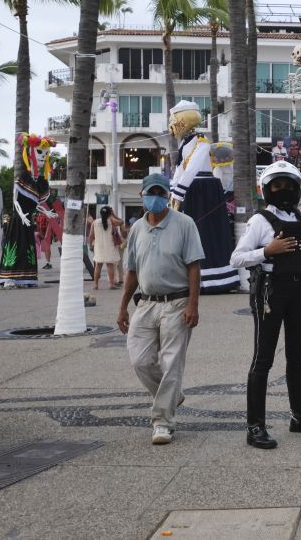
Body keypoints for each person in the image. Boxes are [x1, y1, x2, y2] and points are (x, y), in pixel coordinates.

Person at [230, 161, 301, 449]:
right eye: (277, 185)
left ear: (297, 189)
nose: (283, 190)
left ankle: (300, 417)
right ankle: (255, 427)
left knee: (297, 358)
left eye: (288, 185)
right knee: (263, 359)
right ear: (266, 189)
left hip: (299, 291)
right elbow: (236, 258)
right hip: (270, 293)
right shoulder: (259, 221)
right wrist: (266, 251)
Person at [117, 174, 204, 445]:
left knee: (171, 364)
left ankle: (163, 423)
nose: (155, 197)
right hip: (145, 304)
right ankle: (172, 395)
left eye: (160, 193)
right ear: (142, 195)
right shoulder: (136, 228)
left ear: (168, 196)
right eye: (151, 192)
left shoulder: (185, 223)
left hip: (177, 303)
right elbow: (132, 271)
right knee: (140, 360)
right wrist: (122, 307)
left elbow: (194, 267)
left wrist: (193, 304)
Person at [167, 100, 238, 293]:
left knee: (205, 234)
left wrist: (178, 193)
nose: (171, 125)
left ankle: (213, 280)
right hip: (192, 190)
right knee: (189, 235)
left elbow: (191, 169)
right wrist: (173, 192)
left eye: (173, 120)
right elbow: (180, 170)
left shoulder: (202, 142)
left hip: (203, 190)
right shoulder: (186, 143)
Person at [0, 133, 56, 288]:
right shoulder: (23, 177)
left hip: (28, 221)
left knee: (27, 249)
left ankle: (26, 278)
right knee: (16, 248)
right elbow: (16, 200)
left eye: (45, 154)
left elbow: (36, 203)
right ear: (30, 154)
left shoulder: (41, 181)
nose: (43, 157)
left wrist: (46, 212)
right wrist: (21, 215)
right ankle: (9, 278)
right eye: (39, 152)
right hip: (18, 220)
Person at [89, 205, 123, 290]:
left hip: (98, 247)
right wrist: (113, 215)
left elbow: (91, 236)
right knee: (109, 265)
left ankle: (96, 285)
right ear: (109, 213)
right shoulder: (112, 221)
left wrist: (90, 245)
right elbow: (121, 221)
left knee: (98, 266)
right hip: (109, 247)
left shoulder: (95, 222)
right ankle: (111, 285)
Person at [40, 196, 65, 268]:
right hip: (48, 222)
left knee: (61, 242)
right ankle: (48, 262)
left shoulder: (54, 202)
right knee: (46, 243)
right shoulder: (47, 201)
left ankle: (48, 262)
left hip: (52, 222)